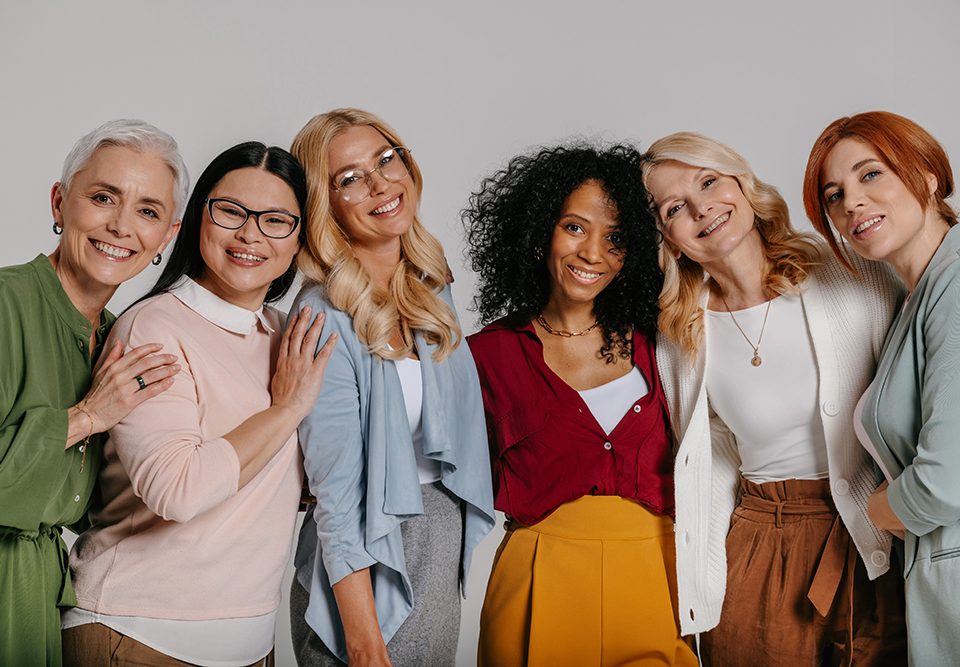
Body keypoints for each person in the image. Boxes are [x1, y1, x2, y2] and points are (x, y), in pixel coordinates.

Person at [61, 142, 336, 667]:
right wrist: (285, 411)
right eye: (231, 211)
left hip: (252, 641)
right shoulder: (155, 329)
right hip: (137, 634)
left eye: (276, 220)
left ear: (301, 238)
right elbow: (178, 491)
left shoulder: (288, 336)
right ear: (197, 219)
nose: (250, 234)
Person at [642, 131, 907, 665]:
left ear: (742, 183)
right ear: (667, 237)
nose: (701, 208)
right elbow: (711, 457)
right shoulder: (679, 334)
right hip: (761, 545)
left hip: (875, 534)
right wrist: (704, 572)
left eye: (709, 182)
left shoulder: (852, 273)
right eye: (675, 207)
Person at [464, 143, 696, 666]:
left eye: (615, 238)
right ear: (539, 231)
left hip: (655, 574)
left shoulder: (664, 341)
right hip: (536, 576)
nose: (593, 253)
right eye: (574, 227)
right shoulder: (485, 356)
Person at [288, 108, 495, 666]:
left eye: (386, 160)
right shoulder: (322, 314)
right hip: (364, 563)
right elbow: (335, 495)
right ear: (325, 205)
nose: (381, 184)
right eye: (350, 178)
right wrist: (364, 643)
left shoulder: (429, 287)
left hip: (437, 541)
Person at [0, 119, 185, 666]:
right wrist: (85, 416)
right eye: (103, 197)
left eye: (147, 211)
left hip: (41, 595)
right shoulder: (6, 304)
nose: (121, 226)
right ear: (60, 202)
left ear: (167, 236)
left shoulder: (116, 337)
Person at [804, 110, 960, 665]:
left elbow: (945, 481)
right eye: (834, 195)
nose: (852, 203)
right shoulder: (915, 299)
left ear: (928, 175)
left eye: (870, 174)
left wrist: (875, 512)